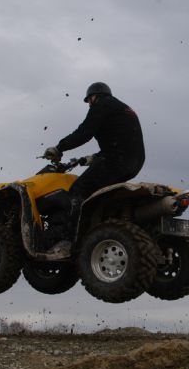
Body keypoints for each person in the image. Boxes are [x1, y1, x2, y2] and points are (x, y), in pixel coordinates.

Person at [42, 82, 145, 253]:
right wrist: (94, 158)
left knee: (77, 191)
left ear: (94, 96)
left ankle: (67, 241)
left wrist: (59, 147)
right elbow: (120, 139)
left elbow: (84, 132)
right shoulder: (123, 107)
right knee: (98, 197)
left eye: (89, 101)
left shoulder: (102, 104)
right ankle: (96, 230)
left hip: (116, 161)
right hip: (134, 162)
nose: (89, 104)